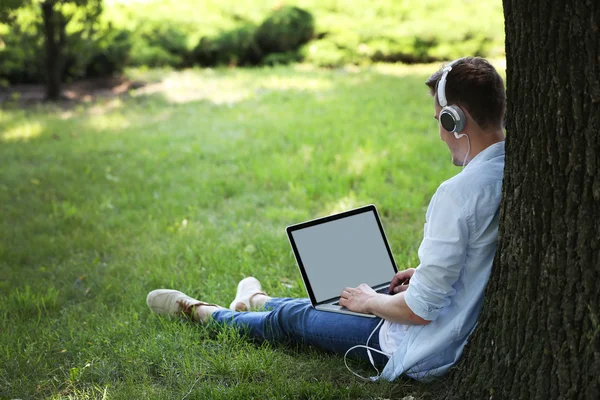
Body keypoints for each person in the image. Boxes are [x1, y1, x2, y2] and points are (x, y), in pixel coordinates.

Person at [146, 56, 506, 381]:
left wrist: (369, 301)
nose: (440, 134)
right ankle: (258, 301)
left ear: (453, 119)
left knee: (297, 320)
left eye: (438, 121)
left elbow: (419, 310)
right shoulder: (514, 171)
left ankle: (203, 312)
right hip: (450, 324)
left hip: (422, 345)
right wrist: (425, 275)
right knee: (325, 302)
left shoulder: (458, 193)